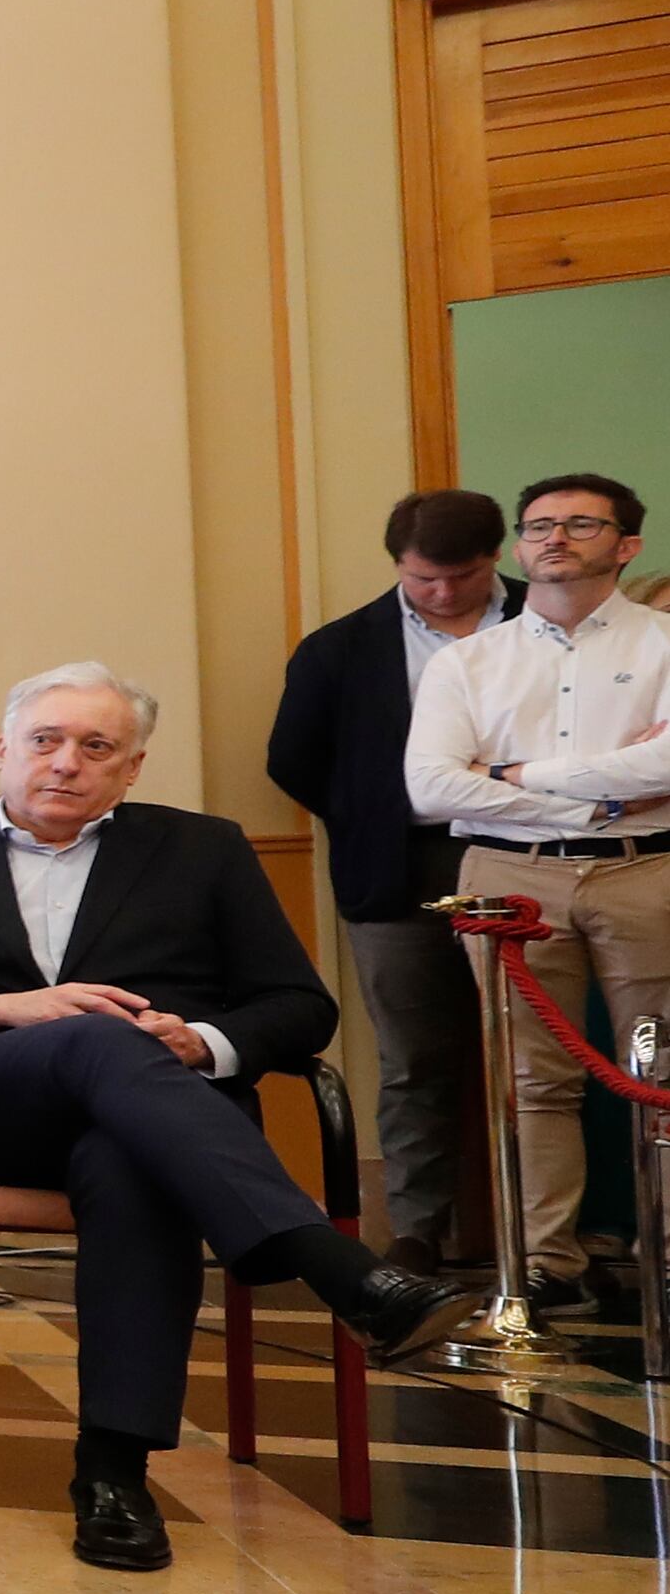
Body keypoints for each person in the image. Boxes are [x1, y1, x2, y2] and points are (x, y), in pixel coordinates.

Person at [0, 665, 478, 1573]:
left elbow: (298, 1006)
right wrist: (0, 1010)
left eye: (94, 747)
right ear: (2, 750)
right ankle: (333, 1266)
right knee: (96, 1037)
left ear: (132, 767)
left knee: (132, 1158)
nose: (65, 763)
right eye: (44, 741)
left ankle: (113, 1475)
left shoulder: (204, 851)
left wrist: (204, 1042)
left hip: (159, 1127)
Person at [401, 470, 670, 1333]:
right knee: (531, 1079)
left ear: (626, 546)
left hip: (646, 869)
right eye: (539, 525)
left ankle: (663, 1252)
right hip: (510, 878)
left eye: (580, 524)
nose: (554, 537)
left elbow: (667, 771)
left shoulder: (666, 642)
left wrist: (514, 775)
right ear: (519, 546)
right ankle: (547, 1265)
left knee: (659, 1071)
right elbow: (432, 787)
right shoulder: (466, 660)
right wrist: (596, 793)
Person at [265, 489, 518, 1273]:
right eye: (422, 579)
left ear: (496, 557)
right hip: (399, 868)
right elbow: (291, 759)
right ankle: (417, 1229)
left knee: (546, 1057)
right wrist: (378, 809)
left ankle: (556, 1242)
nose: (443, 594)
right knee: (414, 1059)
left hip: (528, 857)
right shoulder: (339, 649)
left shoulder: (546, 631)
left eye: (463, 576)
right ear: (399, 567)